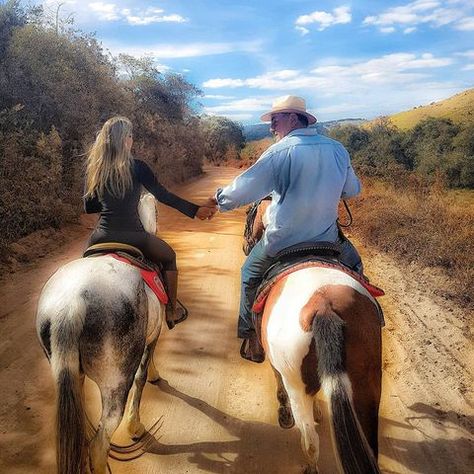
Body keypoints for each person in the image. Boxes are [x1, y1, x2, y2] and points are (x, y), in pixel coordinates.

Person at [210, 95, 363, 361]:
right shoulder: (338, 149)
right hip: (328, 240)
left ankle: (251, 337)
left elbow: (244, 188)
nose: (271, 126)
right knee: (357, 267)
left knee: (249, 273)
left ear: (293, 118)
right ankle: (371, 323)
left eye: (275, 119)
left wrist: (218, 200)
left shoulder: (280, 151)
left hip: (282, 241)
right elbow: (352, 189)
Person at [84, 116, 216, 329]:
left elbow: (88, 207)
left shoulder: (95, 168)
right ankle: (172, 310)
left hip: (100, 237)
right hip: (134, 237)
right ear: (125, 139)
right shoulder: (137, 167)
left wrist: (111, 203)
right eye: (130, 136)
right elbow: (163, 196)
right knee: (169, 257)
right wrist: (195, 210)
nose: (132, 140)